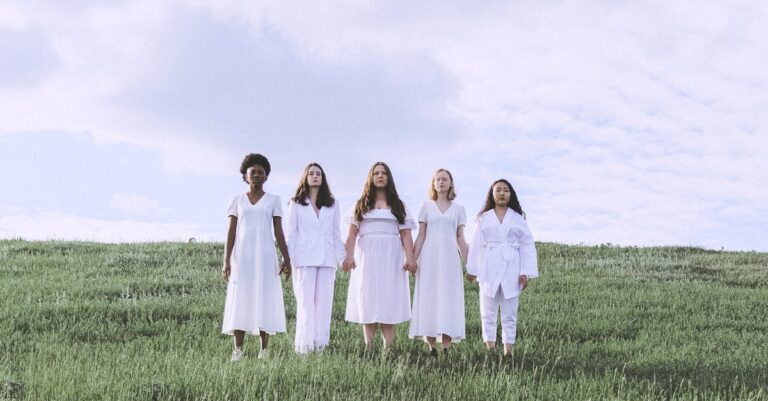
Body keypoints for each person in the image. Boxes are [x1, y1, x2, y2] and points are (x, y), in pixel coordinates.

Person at [221, 153, 291, 362]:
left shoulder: (274, 200)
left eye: (261, 172)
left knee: (264, 298)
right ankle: (238, 351)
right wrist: (226, 260)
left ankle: (264, 351)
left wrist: (286, 258)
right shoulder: (237, 200)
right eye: (253, 172)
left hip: (265, 256)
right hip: (242, 257)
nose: (257, 175)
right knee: (241, 298)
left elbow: (279, 231)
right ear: (246, 175)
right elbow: (231, 231)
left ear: (266, 176)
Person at [342, 162, 417, 350]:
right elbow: (352, 233)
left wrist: (411, 258)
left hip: (391, 254)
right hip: (367, 254)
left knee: (388, 297)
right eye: (376, 173)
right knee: (368, 295)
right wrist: (349, 256)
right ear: (371, 177)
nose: (380, 176)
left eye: (384, 173)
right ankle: (369, 345)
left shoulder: (398, 205)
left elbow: (406, 234)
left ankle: (388, 347)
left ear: (389, 177)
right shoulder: (361, 205)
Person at [466, 179, 538, 356]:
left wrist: (524, 272)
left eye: (506, 190)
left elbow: (527, 244)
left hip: (511, 266)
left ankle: (508, 351)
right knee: (487, 311)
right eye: (498, 190)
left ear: (510, 194)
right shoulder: (484, 218)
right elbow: (475, 244)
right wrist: (473, 269)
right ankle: (490, 349)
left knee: (509, 313)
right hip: (489, 265)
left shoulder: (517, 218)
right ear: (492, 194)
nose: (502, 193)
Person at [284, 163, 346, 354]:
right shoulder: (295, 203)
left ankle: (320, 345)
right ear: (305, 177)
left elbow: (336, 233)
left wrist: (343, 258)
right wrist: (288, 259)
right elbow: (291, 234)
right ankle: (304, 347)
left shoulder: (333, 203)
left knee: (324, 304)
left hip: (327, 260)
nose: (315, 176)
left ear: (323, 178)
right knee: (305, 303)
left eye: (318, 173)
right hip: (303, 259)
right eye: (311, 173)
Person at [409, 169, 469, 355]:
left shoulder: (459, 209)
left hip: (450, 260)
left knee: (449, 299)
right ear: (433, 184)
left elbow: (460, 238)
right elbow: (421, 236)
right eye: (437, 179)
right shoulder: (426, 206)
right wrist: (412, 259)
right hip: (429, 259)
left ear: (451, 183)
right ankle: (432, 347)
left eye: (445, 179)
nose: (441, 182)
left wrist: (470, 265)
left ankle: (446, 348)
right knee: (430, 298)